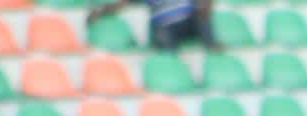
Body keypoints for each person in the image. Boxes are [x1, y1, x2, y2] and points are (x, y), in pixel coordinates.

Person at [87, 0, 217, 51]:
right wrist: (101, 11)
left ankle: (213, 47)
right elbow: (123, 4)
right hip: (165, 26)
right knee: (163, 34)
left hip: (187, 22)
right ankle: (170, 61)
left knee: (201, 17)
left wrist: (206, 5)